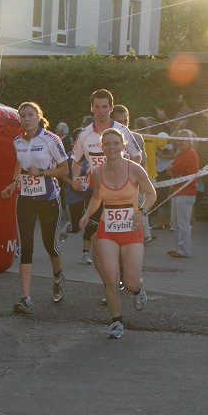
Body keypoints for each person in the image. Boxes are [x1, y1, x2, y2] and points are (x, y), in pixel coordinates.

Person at [79, 128, 156, 339]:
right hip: (107, 230)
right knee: (111, 279)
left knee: (130, 282)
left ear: (123, 147)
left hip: (131, 231)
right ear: (102, 148)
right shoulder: (98, 172)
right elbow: (97, 198)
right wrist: (87, 215)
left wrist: (142, 212)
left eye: (115, 144)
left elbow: (151, 193)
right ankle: (116, 321)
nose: (111, 148)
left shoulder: (135, 169)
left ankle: (138, 290)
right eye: (107, 144)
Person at [1, 101, 69, 314]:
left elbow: (64, 169)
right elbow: (20, 164)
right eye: (22, 116)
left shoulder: (51, 139)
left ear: (38, 116)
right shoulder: (17, 141)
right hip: (26, 199)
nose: (26, 119)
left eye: (30, 115)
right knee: (26, 247)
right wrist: (13, 184)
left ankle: (58, 277)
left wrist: (40, 172)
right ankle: (25, 297)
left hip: (49, 199)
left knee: (50, 244)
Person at [71, 89, 142, 290]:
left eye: (105, 107)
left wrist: (131, 179)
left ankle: (130, 280)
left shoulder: (122, 130)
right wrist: (76, 178)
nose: (101, 111)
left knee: (123, 242)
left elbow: (137, 156)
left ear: (111, 108)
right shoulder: (84, 135)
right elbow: (76, 161)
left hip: (121, 194)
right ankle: (110, 285)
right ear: (91, 108)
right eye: (97, 107)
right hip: (97, 193)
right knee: (96, 242)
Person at [112, 105, 152, 243]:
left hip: (133, 184)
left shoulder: (137, 137)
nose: (124, 125)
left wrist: (143, 181)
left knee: (137, 210)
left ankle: (142, 236)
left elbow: (144, 161)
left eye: (126, 121)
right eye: (120, 122)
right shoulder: (106, 139)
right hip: (112, 186)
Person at [165, 129, 199, 258]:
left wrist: (172, 170)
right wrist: (172, 170)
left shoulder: (189, 153)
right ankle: (178, 247)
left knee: (183, 222)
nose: (179, 142)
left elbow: (175, 169)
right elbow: (172, 169)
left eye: (182, 140)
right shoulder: (181, 153)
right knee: (176, 221)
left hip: (186, 192)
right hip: (178, 191)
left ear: (189, 140)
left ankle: (184, 250)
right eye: (178, 139)